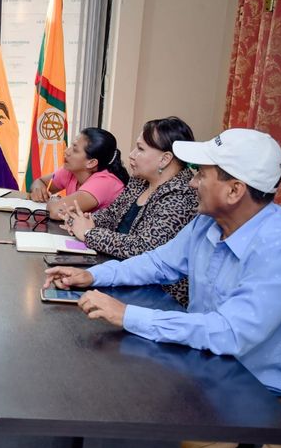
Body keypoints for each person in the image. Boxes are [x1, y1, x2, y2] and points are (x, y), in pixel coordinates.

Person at [43, 128, 281, 448]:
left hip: (253, 389)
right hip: (204, 364)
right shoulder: (207, 223)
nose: (192, 182)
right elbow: (157, 263)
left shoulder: (277, 247)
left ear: (234, 190)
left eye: (202, 174)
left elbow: (229, 332)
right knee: (111, 400)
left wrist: (128, 315)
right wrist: (93, 276)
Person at [61, 117, 198, 306]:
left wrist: (88, 233)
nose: (132, 155)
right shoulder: (140, 180)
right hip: (118, 272)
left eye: (140, 149)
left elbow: (144, 249)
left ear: (165, 159)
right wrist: (82, 221)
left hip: (157, 296)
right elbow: (111, 214)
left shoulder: (182, 194)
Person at [29, 127, 129, 219]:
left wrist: (54, 199)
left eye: (75, 150)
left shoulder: (105, 182)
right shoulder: (71, 170)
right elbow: (40, 181)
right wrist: (38, 190)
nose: (66, 151)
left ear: (91, 163)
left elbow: (56, 212)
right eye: (71, 146)